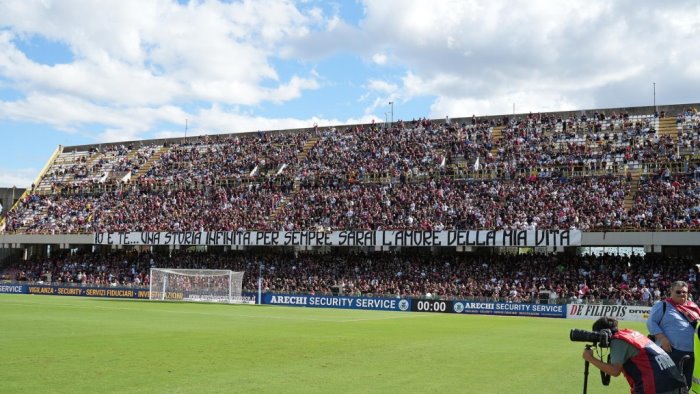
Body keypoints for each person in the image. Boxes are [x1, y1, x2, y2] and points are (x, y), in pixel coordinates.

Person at [582, 317, 687, 393]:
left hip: (655, 386)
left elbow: (614, 371)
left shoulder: (618, 341)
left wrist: (590, 358)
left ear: (605, 332)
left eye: (598, 335)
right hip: (672, 381)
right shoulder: (630, 334)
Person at [647, 281, 700, 387]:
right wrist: (662, 338)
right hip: (671, 351)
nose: (681, 294)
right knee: (669, 385)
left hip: (692, 354)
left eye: (684, 292)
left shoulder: (694, 308)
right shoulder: (663, 305)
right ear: (671, 292)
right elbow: (651, 322)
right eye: (678, 291)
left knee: (687, 385)